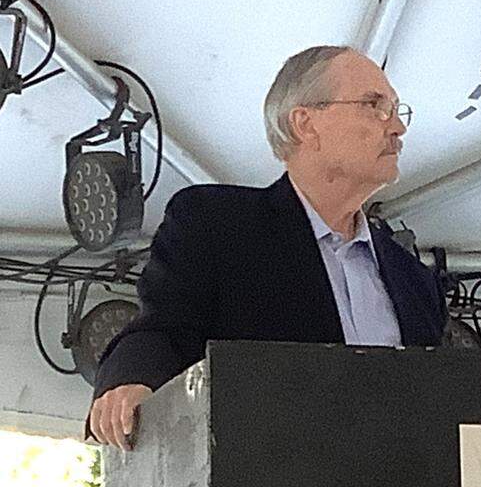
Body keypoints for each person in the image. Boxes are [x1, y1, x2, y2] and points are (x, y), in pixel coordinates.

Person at [87, 45, 446, 450]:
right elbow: (164, 331)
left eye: (398, 110)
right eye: (374, 105)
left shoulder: (415, 280)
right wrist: (130, 383)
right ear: (305, 123)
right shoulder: (218, 225)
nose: (397, 127)